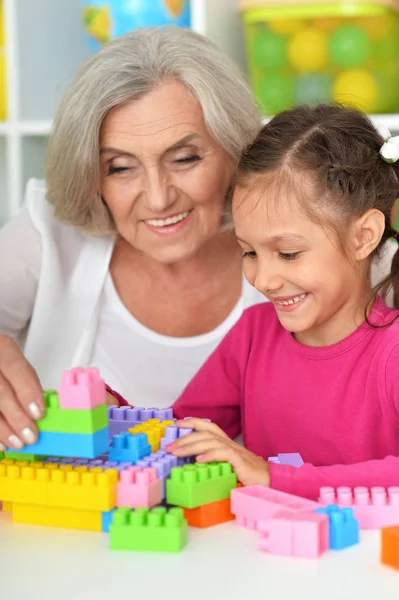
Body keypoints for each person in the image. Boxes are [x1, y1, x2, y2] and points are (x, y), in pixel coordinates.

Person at [0, 26, 265, 452]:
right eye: (121, 168)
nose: (159, 198)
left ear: (234, 151)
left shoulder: (295, 239)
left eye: (185, 158)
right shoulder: (49, 233)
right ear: (92, 176)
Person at [164, 104, 399, 500]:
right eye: (249, 252)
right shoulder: (253, 335)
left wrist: (274, 477)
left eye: (288, 253)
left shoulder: (391, 352)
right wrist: (110, 415)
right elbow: (184, 433)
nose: (265, 280)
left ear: (363, 236)